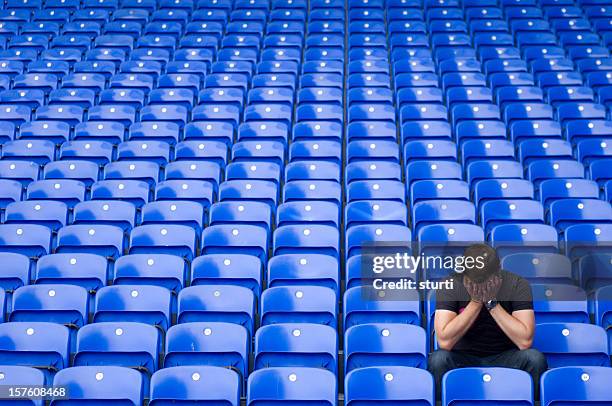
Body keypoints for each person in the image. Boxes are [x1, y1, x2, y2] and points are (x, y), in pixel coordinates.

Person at [428, 243, 547, 400]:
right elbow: (444, 341)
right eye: (474, 280)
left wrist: (492, 303)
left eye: (485, 280)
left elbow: (525, 341)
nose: (479, 285)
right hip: (463, 357)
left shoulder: (517, 284)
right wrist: (476, 302)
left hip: (506, 356)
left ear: (498, 273)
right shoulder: (450, 285)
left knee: (535, 359)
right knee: (438, 360)